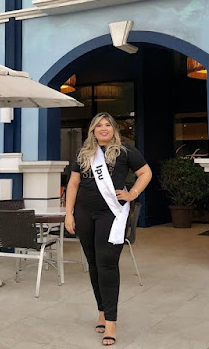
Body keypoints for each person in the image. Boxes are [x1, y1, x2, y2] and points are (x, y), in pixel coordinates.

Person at [65, 112, 152, 346]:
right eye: (98, 125)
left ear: (113, 129)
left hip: (110, 215)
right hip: (84, 214)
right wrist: (69, 213)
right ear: (92, 130)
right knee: (94, 264)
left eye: (107, 125)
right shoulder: (84, 153)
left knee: (107, 264)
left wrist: (132, 193)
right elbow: (73, 184)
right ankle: (101, 313)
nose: (103, 129)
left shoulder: (125, 151)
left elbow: (146, 172)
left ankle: (111, 322)